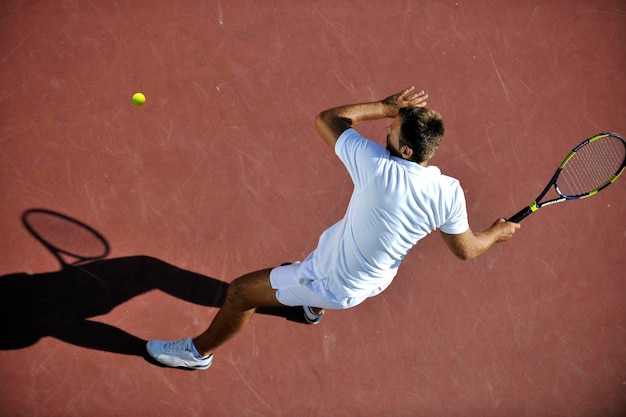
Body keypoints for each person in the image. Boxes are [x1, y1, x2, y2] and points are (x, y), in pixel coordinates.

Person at [146, 87, 520, 370]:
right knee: (321, 253)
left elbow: (328, 119)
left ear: (406, 150)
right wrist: (496, 233)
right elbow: (467, 249)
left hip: (331, 279)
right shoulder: (449, 192)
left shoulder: (376, 167)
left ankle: (198, 353)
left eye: (391, 130)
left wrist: (385, 106)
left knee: (242, 292)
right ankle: (310, 307)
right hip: (374, 277)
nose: (383, 134)